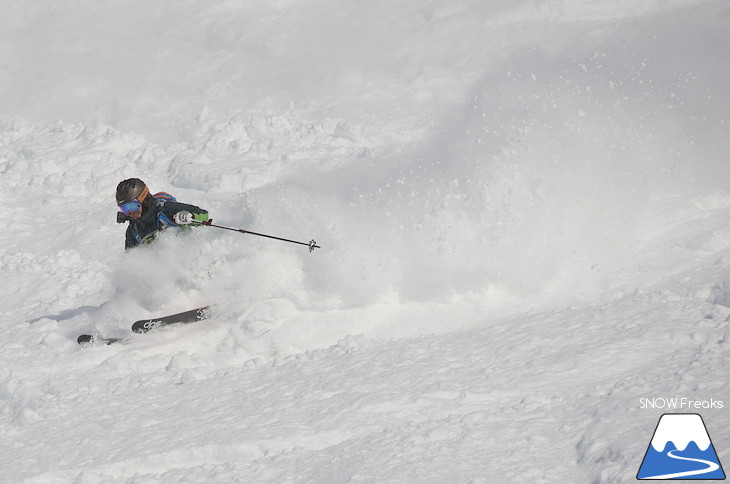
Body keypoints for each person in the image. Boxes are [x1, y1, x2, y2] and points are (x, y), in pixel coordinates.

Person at [116, 178, 209, 249]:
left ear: (144, 200)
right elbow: (130, 261)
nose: (130, 212)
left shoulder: (166, 210)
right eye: (124, 209)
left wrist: (190, 217)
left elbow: (204, 215)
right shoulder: (133, 231)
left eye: (132, 206)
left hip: (190, 254)